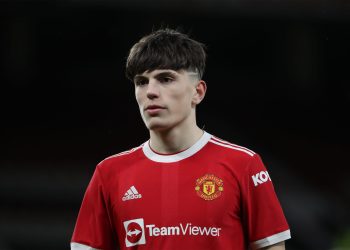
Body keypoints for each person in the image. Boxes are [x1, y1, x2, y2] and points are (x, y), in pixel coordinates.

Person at [71, 28, 291, 250]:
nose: (150, 92)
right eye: (141, 82)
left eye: (165, 79)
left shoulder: (243, 164)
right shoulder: (109, 173)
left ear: (198, 92)